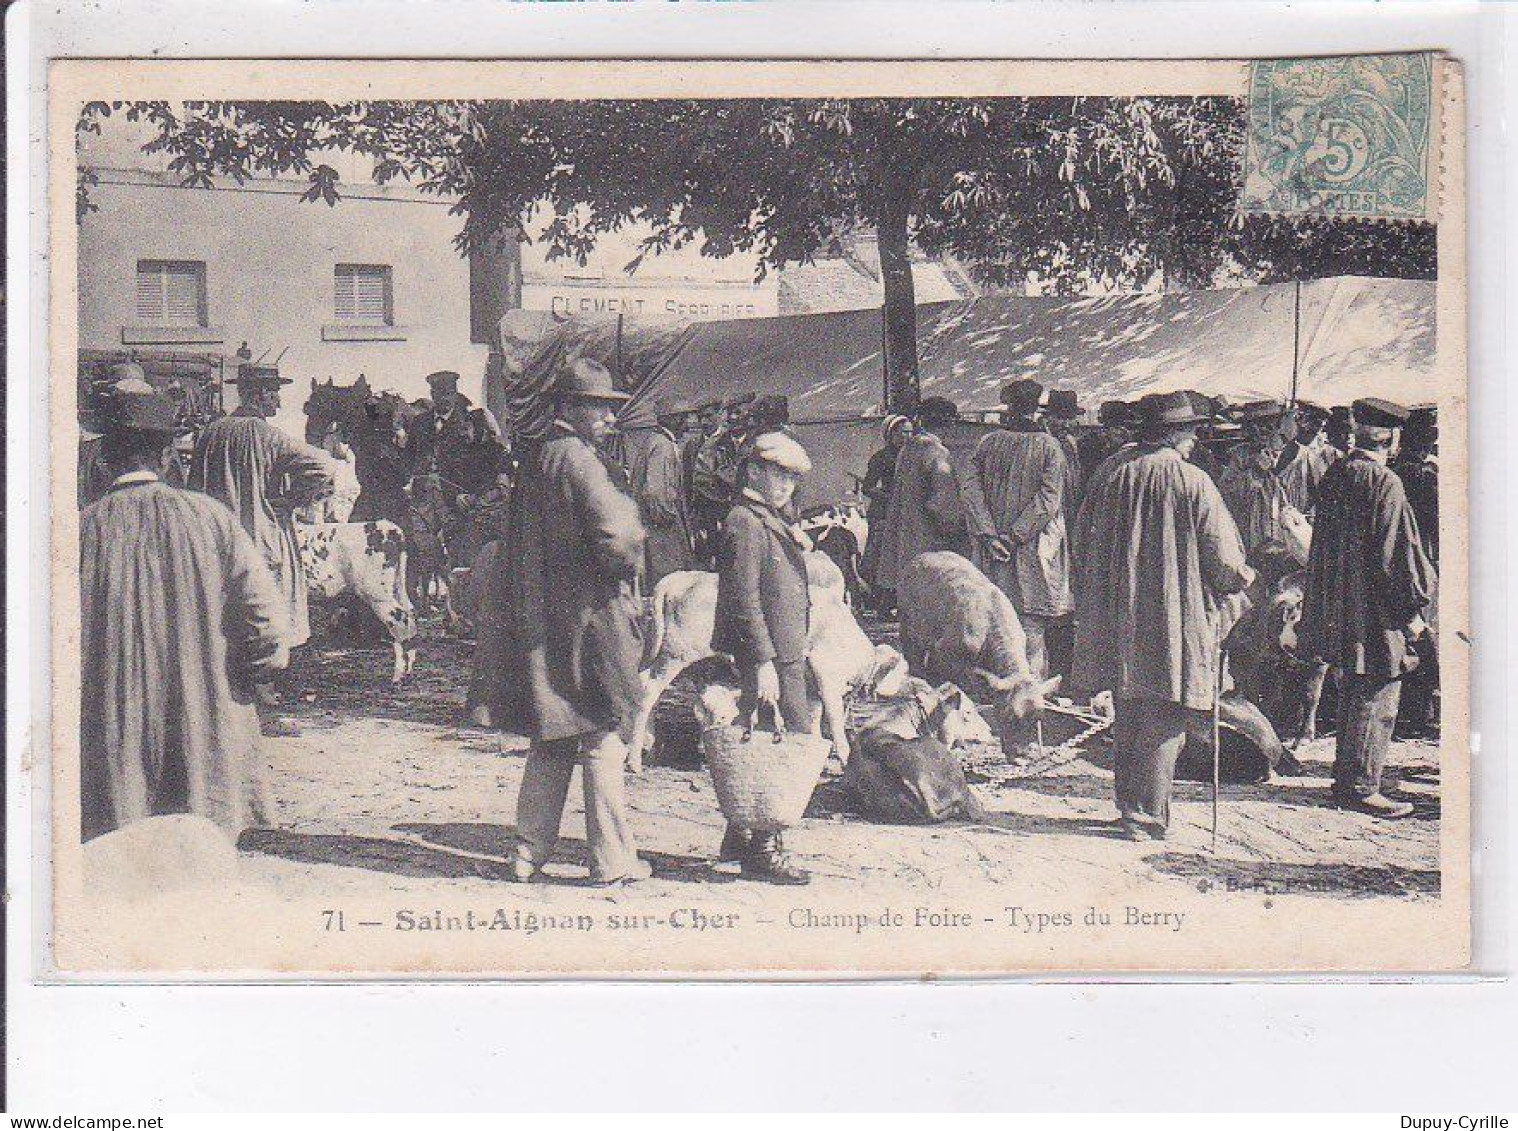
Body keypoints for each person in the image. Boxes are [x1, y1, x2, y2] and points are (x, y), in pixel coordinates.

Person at [80, 379, 290, 843]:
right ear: (168, 456)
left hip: (113, 751)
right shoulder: (212, 519)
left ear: (104, 457)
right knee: (201, 878)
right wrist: (243, 677)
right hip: (206, 741)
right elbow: (270, 629)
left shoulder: (80, 532)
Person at [1072, 391, 1255, 841]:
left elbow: (1080, 540)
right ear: (1175, 434)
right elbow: (1224, 563)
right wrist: (1243, 577)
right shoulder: (1193, 481)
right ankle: (1148, 816)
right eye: (1191, 431)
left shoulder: (1110, 474)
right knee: (1165, 713)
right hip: (1174, 618)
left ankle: (1130, 808)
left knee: (1129, 708)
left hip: (1117, 614)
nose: (1194, 439)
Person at [501, 358, 650, 885]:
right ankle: (612, 862)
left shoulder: (536, 458)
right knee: (604, 734)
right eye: (600, 408)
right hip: (589, 618)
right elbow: (620, 536)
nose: (610, 419)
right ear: (568, 408)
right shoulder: (582, 462)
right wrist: (627, 573)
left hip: (544, 616)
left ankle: (526, 855)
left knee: (554, 736)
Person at [1302, 398, 1436, 818]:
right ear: (1391, 437)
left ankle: (1348, 780)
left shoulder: (1336, 474)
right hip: (1374, 607)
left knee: (1352, 691)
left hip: (1338, 601)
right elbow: (1397, 557)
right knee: (1377, 694)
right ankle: (1360, 788)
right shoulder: (1384, 482)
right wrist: (1413, 614)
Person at [711, 430, 816, 885]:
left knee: (758, 733)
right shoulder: (745, 521)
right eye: (778, 474)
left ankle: (740, 835)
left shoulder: (764, 518)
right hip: (771, 652)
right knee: (783, 738)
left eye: (792, 479)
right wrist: (762, 660)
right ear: (753, 469)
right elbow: (744, 597)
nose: (785, 486)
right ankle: (765, 848)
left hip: (782, 649)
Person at [189, 363, 334, 655]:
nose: (278, 401)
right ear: (260, 394)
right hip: (261, 536)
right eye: (275, 394)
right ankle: (264, 680)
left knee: (222, 615)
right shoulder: (268, 436)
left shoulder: (209, 434)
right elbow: (324, 465)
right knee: (265, 611)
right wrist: (294, 499)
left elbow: (193, 490)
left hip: (216, 541)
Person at [961, 378, 1073, 681]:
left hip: (992, 550)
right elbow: (1049, 500)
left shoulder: (987, 444)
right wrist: (1015, 536)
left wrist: (988, 534)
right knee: (1031, 627)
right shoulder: (1050, 447)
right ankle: (1031, 695)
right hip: (1033, 550)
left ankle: (996, 692)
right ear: (1036, 409)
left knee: (994, 620)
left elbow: (970, 490)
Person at [874, 396, 970, 595]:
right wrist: (959, 530)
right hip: (929, 541)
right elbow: (943, 504)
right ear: (948, 423)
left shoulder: (908, 449)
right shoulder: (936, 452)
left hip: (908, 540)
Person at [629, 396, 696, 584]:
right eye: (682, 418)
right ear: (671, 419)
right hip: (662, 532)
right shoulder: (662, 446)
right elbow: (656, 493)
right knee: (669, 581)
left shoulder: (654, 441)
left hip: (655, 528)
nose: (687, 424)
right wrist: (670, 524)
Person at [1218, 401, 1293, 555]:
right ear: (1249, 429)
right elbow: (1229, 495)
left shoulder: (1290, 454)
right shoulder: (1239, 456)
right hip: (1253, 539)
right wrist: (1256, 472)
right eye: (1258, 425)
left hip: (1284, 538)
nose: (1264, 430)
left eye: (1270, 425)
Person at [858, 413, 912, 612]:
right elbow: (867, 488)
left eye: (909, 432)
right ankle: (878, 601)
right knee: (880, 556)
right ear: (890, 435)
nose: (906, 437)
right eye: (901, 433)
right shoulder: (881, 458)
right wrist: (889, 497)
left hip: (905, 512)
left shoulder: (913, 457)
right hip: (884, 513)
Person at [1275, 402, 1335, 517]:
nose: (1308, 427)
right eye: (1305, 421)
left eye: (1317, 424)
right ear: (1298, 420)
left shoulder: (1327, 453)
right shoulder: (1287, 449)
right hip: (1289, 514)